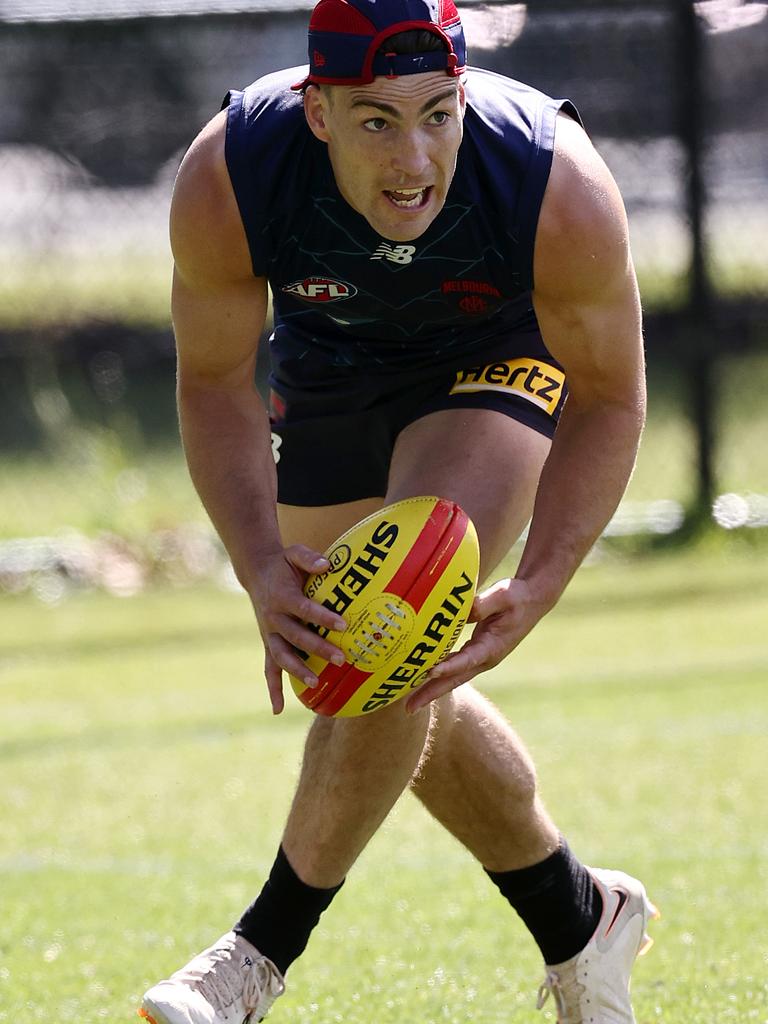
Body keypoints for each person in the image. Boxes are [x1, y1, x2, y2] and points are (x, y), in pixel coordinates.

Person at [139, 1, 655, 1022]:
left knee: (388, 631)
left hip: (496, 354)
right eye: (376, 119)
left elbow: (613, 394)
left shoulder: (556, 183)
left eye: (439, 113)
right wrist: (255, 563)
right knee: (374, 656)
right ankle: (578, 915)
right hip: (331, 369)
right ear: (317, 110)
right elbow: (212, 380)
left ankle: (253, 956)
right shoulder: (231, 174)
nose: (415, 157)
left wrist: (544, 575)